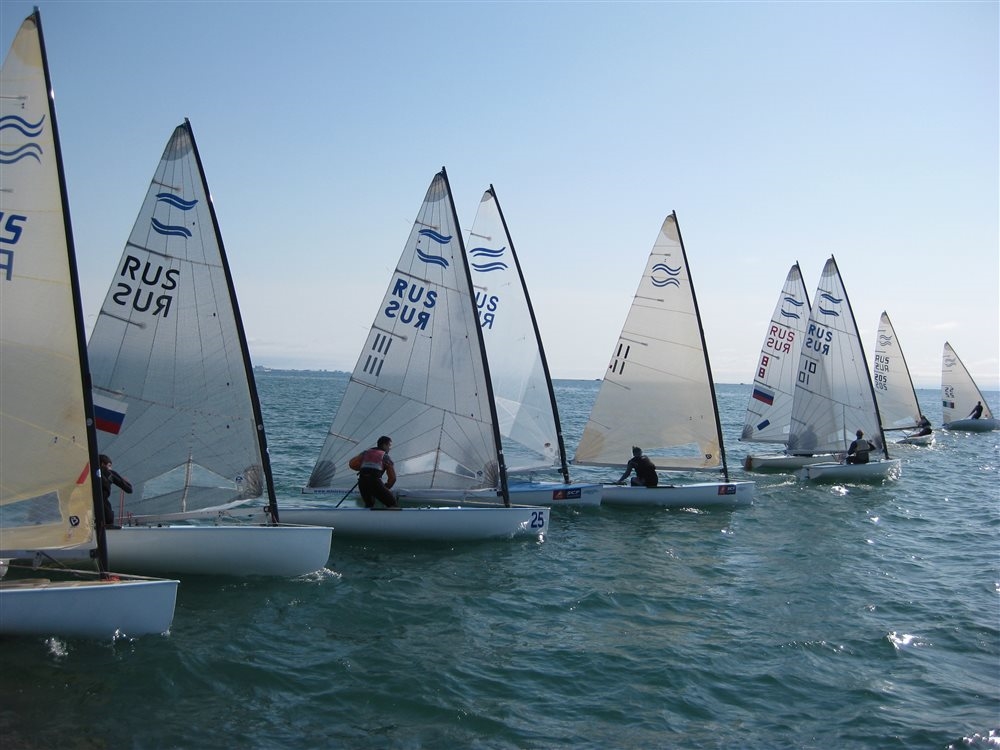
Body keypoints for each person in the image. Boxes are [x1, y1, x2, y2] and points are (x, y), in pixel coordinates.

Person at [350, 436, 398, 509]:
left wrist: (364, 468)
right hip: (375, 483)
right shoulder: (385, 457)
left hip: (362, 482)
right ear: (384, 445)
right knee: (393, 505)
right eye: (389, 445)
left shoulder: (365, 453)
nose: (390, 448)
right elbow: (393, 478)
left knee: (369, 505)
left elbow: (352, 464)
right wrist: (386, 487)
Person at [99, 453, 132, 527]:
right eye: (109, 466)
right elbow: (129, 489)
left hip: (86, 507)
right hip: (102, 505)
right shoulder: (109, 473)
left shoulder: (87, 473)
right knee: (108, 518)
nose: (110, 468)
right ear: (102, 464)